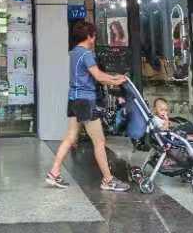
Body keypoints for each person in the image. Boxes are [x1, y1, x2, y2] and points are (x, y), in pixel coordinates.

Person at [45, 21, 130, 192]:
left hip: (74, 99)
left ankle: (54, 172)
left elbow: (94, 75)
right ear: (89, 36)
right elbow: (98, 76)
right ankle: (108, 180)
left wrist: (114, 78)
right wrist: (117, 80)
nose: (95, 38)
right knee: (99, 141)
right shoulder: (86, 54)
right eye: (94, 35)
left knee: (70, 137)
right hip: (85, 101)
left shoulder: (74, 52)